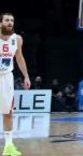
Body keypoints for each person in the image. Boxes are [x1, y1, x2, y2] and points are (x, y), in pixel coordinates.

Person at [0, 13, 30, 156]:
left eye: (12, 20)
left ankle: (8, 146)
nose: (10, 22)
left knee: (8, 112)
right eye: (7, 20)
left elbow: (19, 58)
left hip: (6, 78)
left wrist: (26, 76)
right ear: (0, 23)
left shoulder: (17, 39)